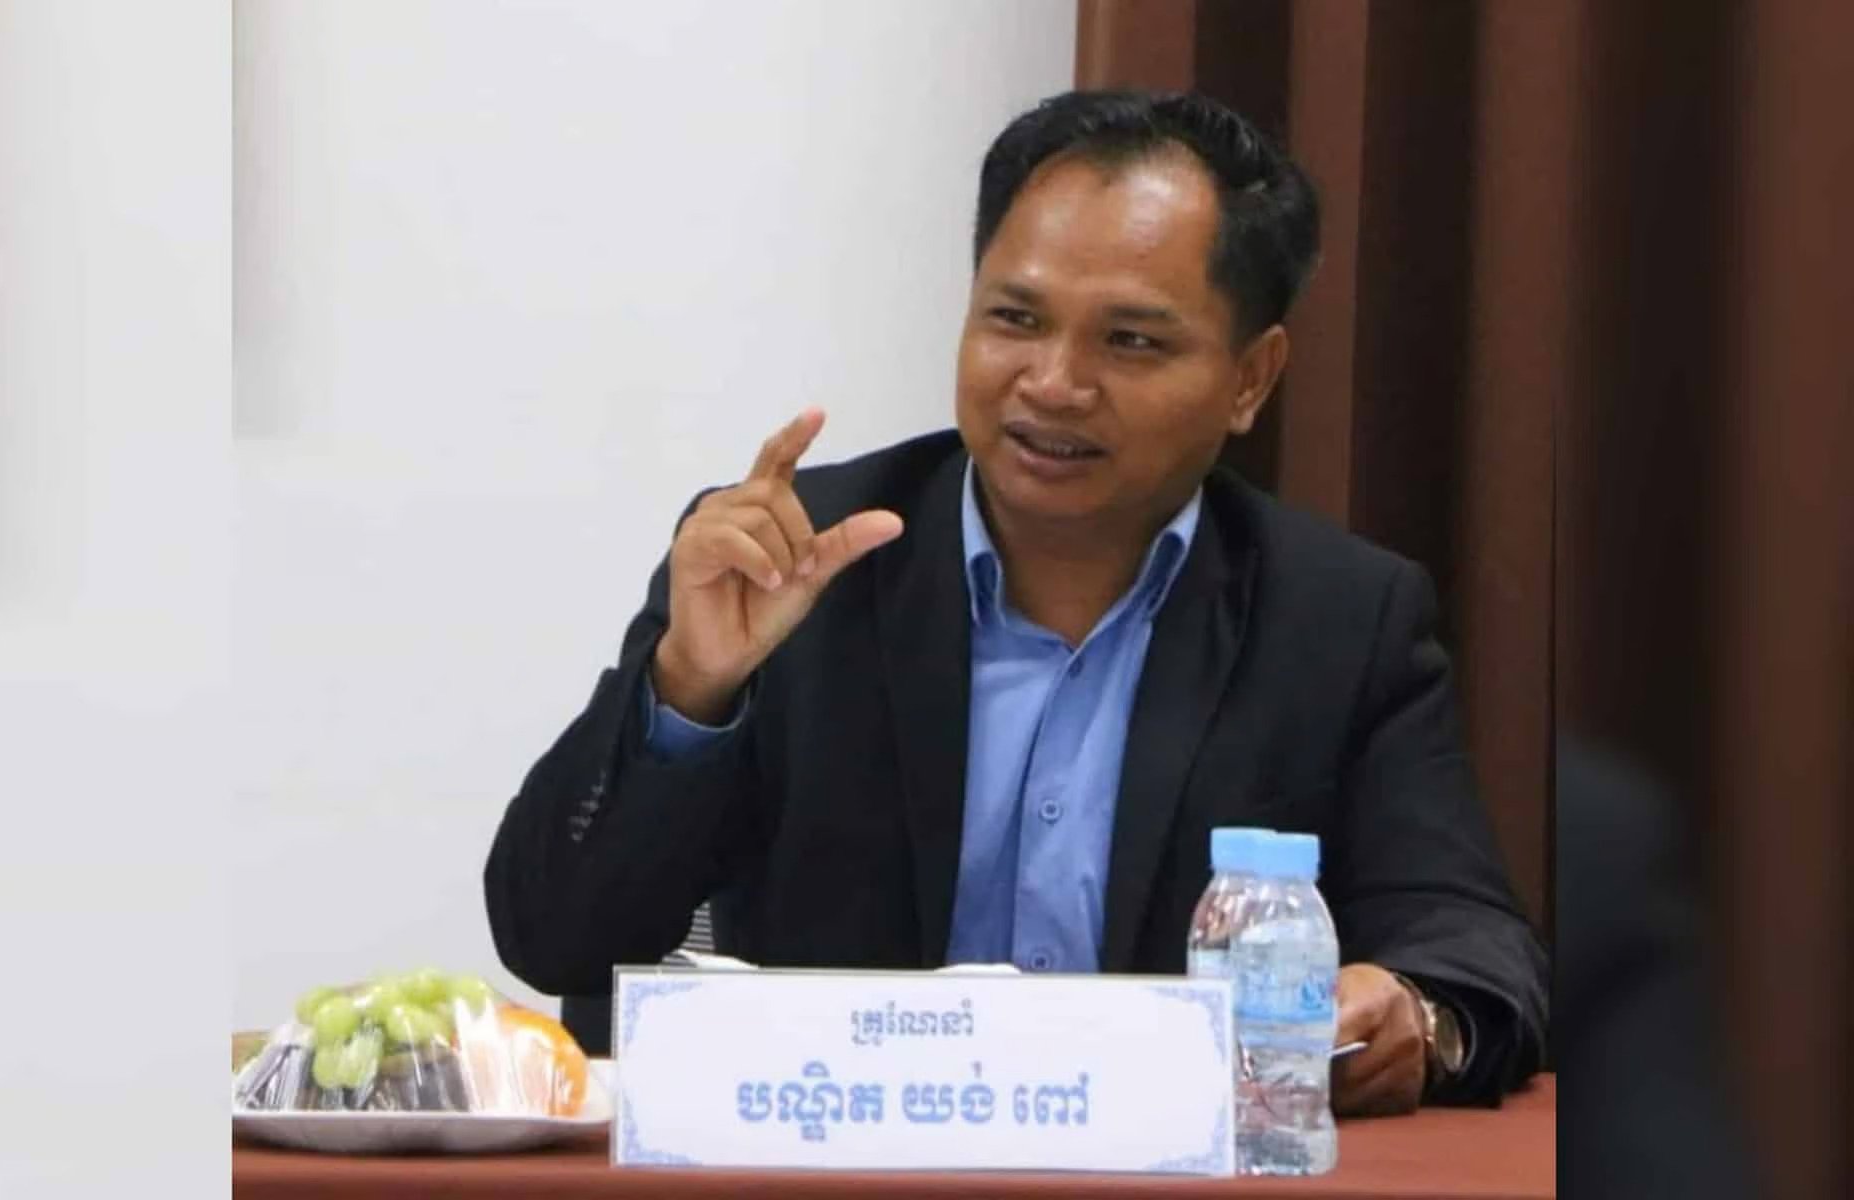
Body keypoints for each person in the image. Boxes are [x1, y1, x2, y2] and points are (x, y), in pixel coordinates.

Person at [485, 90, 1546, 1114]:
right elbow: (554, 937)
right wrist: (690, 690)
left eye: (1131, 341)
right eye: (1014, 319)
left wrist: (1416, 1014)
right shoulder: (794, 562)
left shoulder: (1338, 618)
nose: (1053, 383)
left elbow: (1470, 945)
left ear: (1250, 379)